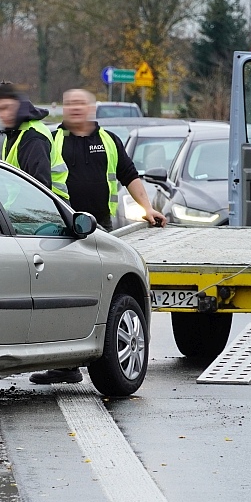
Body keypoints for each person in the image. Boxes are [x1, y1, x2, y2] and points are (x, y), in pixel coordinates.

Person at [30, 87, 166, 386]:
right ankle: (65, 364)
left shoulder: (109, 141)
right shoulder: (52, 140)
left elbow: (130, 176)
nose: (74, 108)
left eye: (80, 103)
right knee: (66, 297)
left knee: (103, 296)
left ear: (92, 107)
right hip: (62, 231)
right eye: (69, 103)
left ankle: (107, 358)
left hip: (102, 230)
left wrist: (147, 208)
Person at [0, 83, 68, 198]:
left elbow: (40, 193)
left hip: (53, 204)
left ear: (18, 104)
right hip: (24, 205)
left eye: (7, 107)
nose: (3, 114)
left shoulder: (33, 137)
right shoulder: (14, 132)